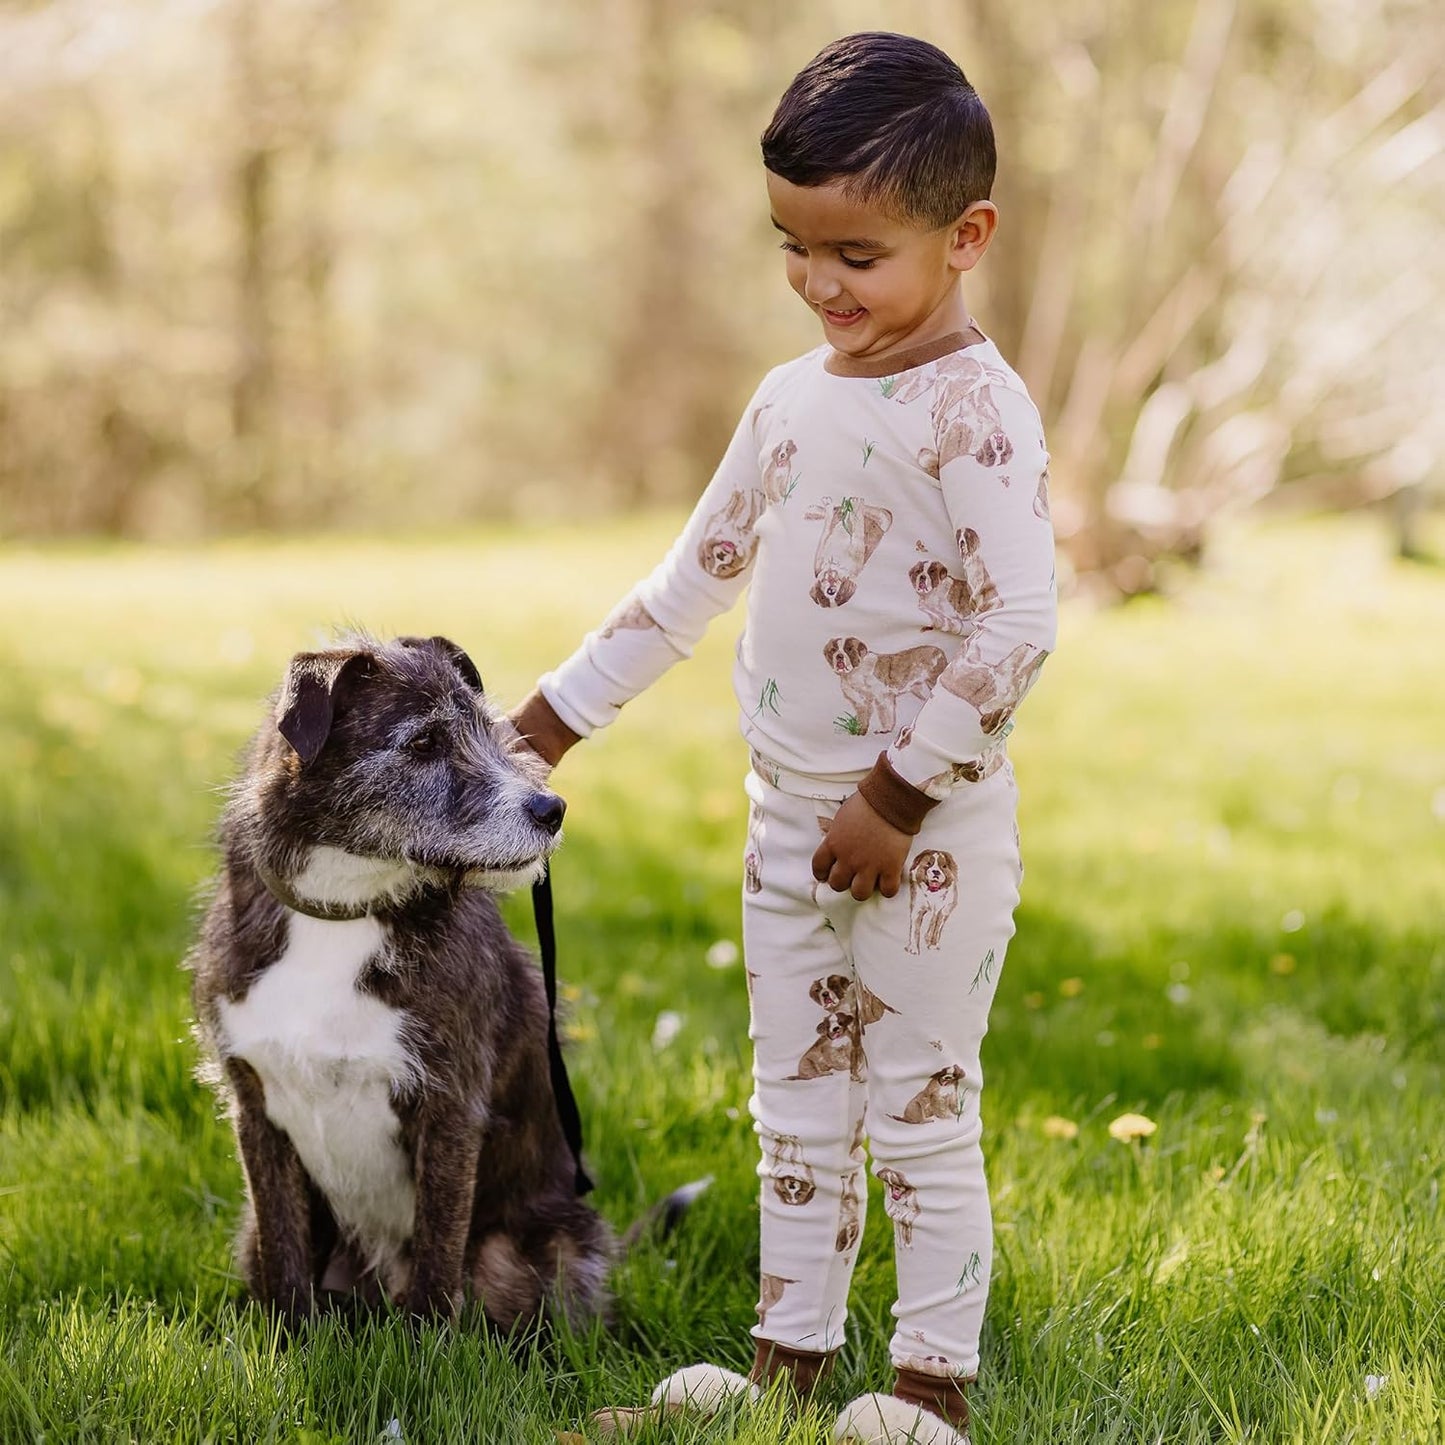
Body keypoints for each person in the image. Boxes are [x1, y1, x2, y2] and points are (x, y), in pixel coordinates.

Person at [511, 31, 1057, 1445]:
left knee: (920, 1111)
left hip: (920, 838)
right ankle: (787, 1365)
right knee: (795, 1104)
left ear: (965, 238)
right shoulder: (786, 399)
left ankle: (928, 1385)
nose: (819, 283)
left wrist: (896, 794)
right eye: (792, 247)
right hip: (782, 820)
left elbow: (1013, 627)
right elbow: (688, 581)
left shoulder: (976, 417)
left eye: (857, 255)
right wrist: (545, 723)